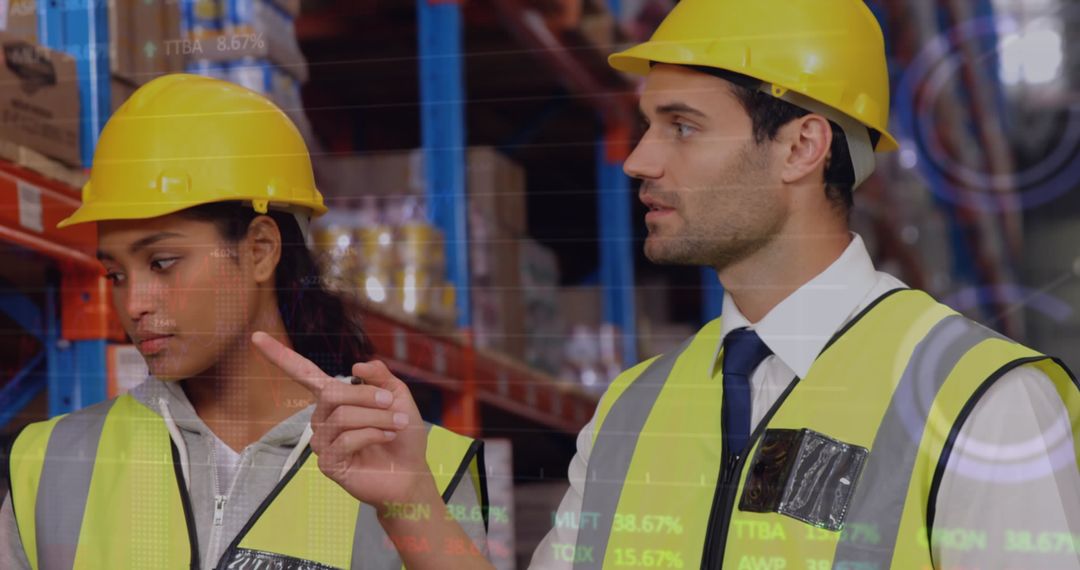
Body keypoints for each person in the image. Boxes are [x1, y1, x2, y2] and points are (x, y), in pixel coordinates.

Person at [526, 0, 1080, 568]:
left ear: (801, 148)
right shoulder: (628, 412)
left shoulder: (984, 403)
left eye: (683, 127)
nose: (638, 160)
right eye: (648, 126)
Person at [0, 74, 491, 569]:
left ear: (260, 249)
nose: (133, 305)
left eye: (163, 262)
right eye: (116, 274)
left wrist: (413, 507)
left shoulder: (418, 462)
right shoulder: (50, 463)